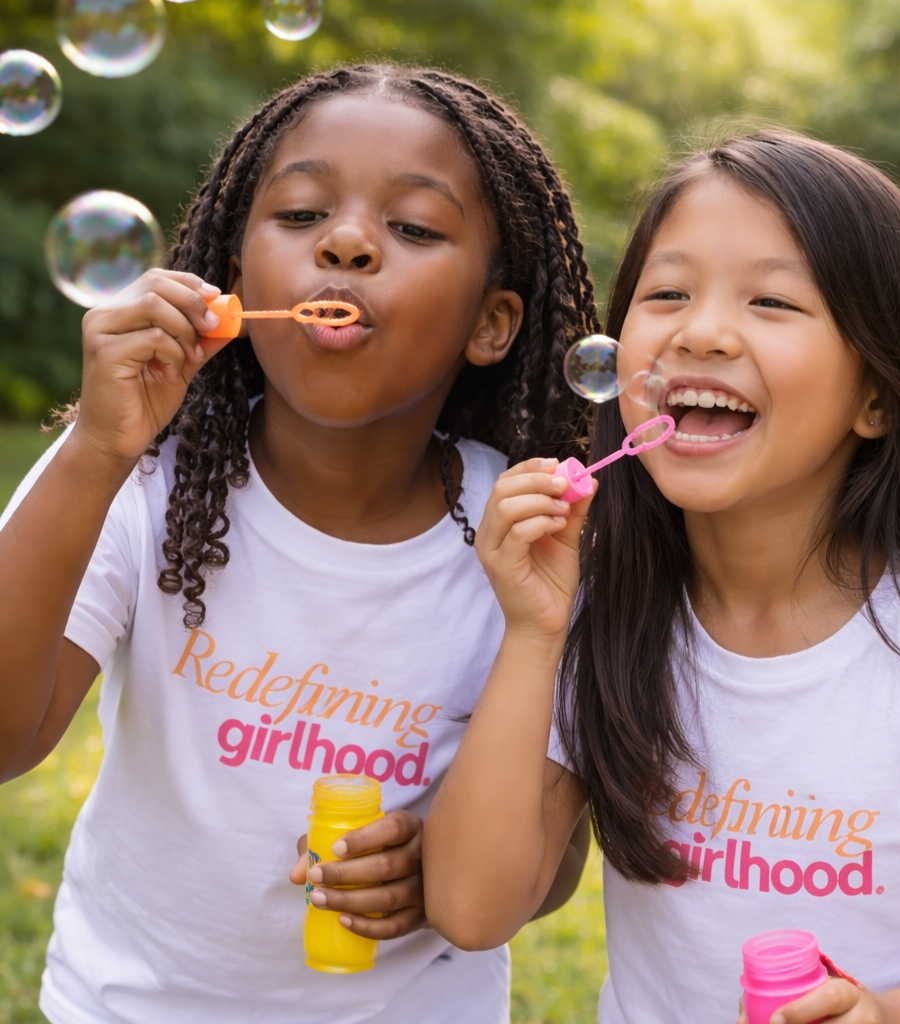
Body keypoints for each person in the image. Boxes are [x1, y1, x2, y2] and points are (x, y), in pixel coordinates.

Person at [0, 63, 596, 1024]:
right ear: (234, 285)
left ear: (492, 324)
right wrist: (97, 449)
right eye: (301, 215)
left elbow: (556, 863)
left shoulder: (532, 538)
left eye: (412, 228)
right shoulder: (140, 482)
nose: (349, 244)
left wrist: (440, 860)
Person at [424, 130, 900, 1024]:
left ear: (880, 395)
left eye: (773, 301)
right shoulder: (606, 622)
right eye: (666, 293)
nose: (700, 331)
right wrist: (533, 633)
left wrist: (892, 1016)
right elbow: (473, 910)